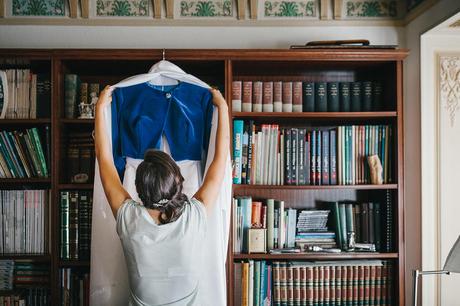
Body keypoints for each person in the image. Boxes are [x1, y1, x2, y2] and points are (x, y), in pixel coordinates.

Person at [94, 84, 230, 306]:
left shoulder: (129, 218)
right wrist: (222, 107)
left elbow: (104, 157)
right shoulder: (195, 216)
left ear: (138, 188)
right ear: (179, 181)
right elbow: (220, 160)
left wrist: (100, 108)